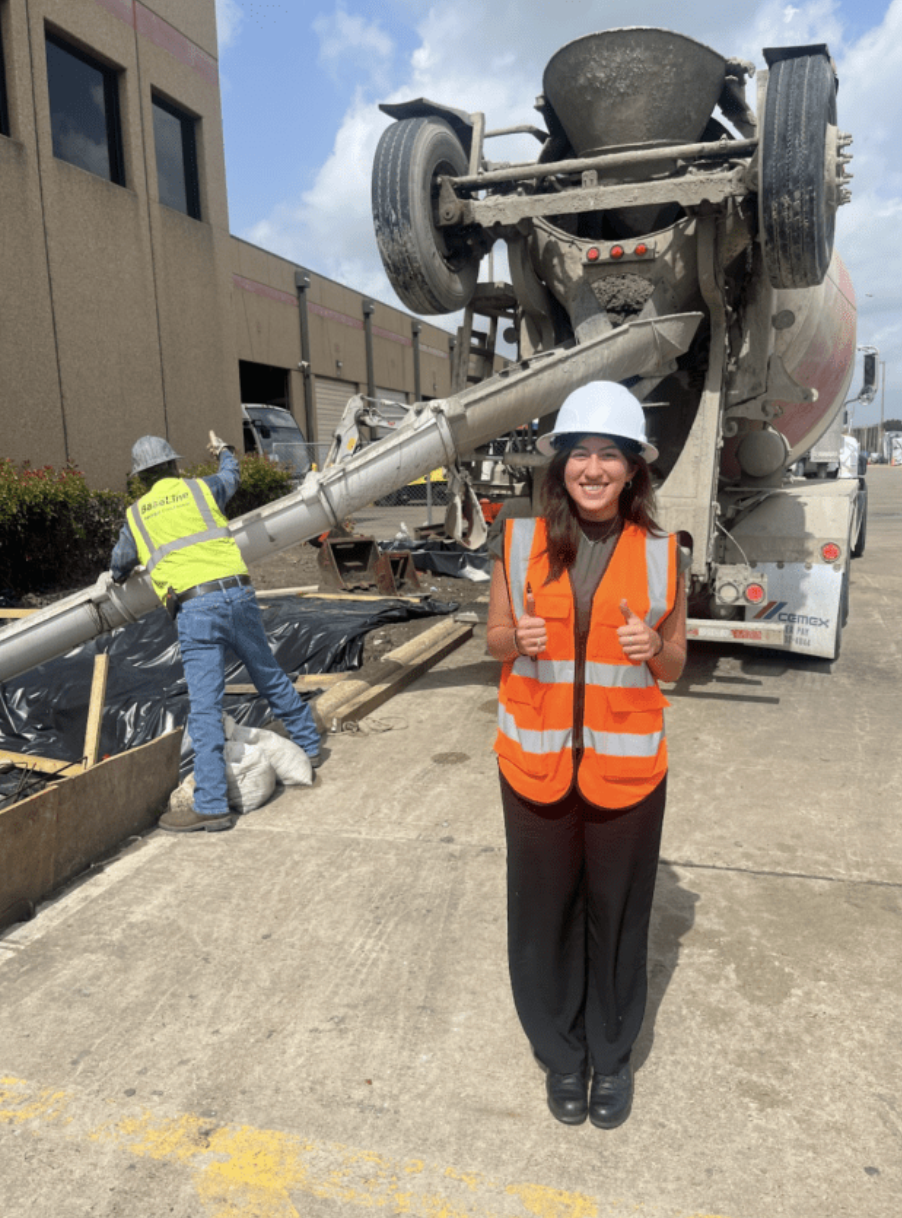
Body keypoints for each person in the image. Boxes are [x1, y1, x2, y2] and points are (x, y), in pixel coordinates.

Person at [486, 380, 687, 1129]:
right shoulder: (517, 540)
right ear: (560, 464)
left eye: (611, 455)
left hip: (627, 771)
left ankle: (612, 1053)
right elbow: (495, 639)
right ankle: (562, 1056)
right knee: (543, 918)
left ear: (634, 468)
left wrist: (650, 648)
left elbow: (674, 663)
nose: (594, 468)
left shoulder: (665, 554)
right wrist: (520, 639)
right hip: (534, 765)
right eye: (581, 454)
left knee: (618, 917)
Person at [111, 432, 323, 834]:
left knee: (206, 706)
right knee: (268, 674)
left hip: (196, 607)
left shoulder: (136, 515)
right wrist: (223, 449)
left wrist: (122, 572)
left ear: (141, 478)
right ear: (175, 466)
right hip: (237, 593)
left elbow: (120, 562)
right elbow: (232, 474)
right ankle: (310, 748)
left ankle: (210, 804)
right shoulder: (201, 489)